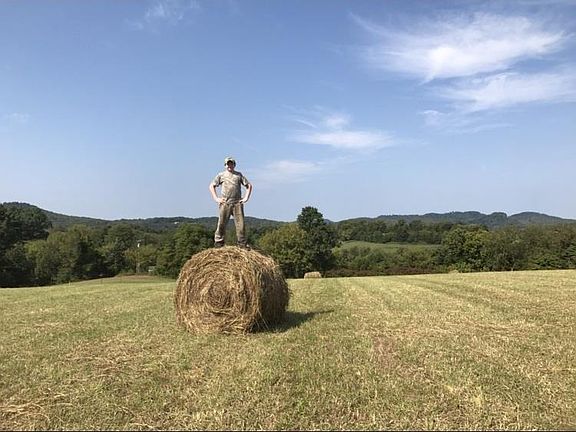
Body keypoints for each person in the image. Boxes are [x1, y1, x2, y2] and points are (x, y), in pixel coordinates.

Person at [209, 156, 253, 248]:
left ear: (234, 165)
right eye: (228, 164)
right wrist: (216, 198)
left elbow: (249, 185)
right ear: (225, 165)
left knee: (241, 224)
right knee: (221, 223)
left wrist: (246, 198)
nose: (229, 166)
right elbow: (212, 185)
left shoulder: (238, 175)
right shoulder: (221, 175)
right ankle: (219, 242)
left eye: (231, 164)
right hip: (225, 202)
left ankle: (242, 243)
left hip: (237, 203)